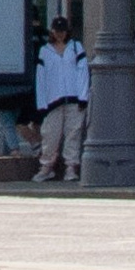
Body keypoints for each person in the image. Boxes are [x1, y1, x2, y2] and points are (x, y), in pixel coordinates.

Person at [33, 17, 89, 184]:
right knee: (50, 134)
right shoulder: (45, 51)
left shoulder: (76, 47)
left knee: (73, 134)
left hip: (74, 98)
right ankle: (46, 166)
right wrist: (42, 103)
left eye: (62, 31)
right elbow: (41, 78)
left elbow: (83, 72)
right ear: (52, 31)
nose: (59, 34)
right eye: (57, 31)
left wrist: (83, 96)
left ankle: (71, 167)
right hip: (53, 100)